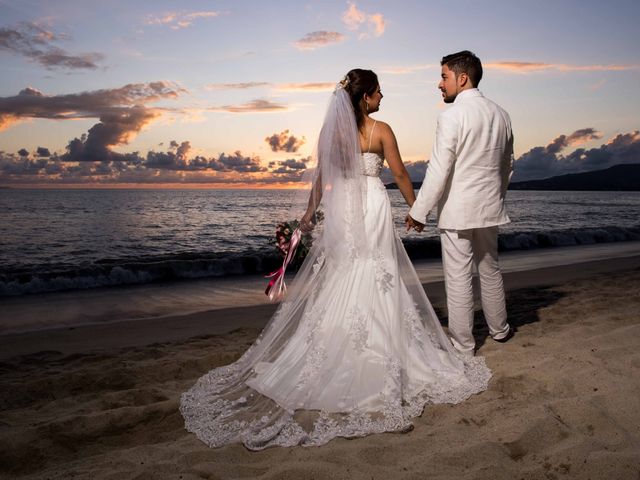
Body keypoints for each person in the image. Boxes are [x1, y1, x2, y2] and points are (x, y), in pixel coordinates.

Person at [180, 69, 491, 450]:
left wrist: (308, 217)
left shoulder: (334, 135)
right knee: (378, 270)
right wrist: (417, 210)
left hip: (343, 208)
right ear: (365, 98)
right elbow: (400, 174)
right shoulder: (381, 131)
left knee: (346, 274)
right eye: (378, 93)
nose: (382, 98)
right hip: (372, 206)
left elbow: (320, 181)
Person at [407, 51, 515, 357]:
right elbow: (508, 167)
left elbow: (439, 170)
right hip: (489, 208)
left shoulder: (451, 117)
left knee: (458, 278)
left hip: (458, 212)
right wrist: (496, 196)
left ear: (461, 78)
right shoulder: (502, 115)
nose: (440, 84)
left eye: (444, 76)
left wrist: (418, 212)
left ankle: (463, 345)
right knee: (490, 269)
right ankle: (500, 330)